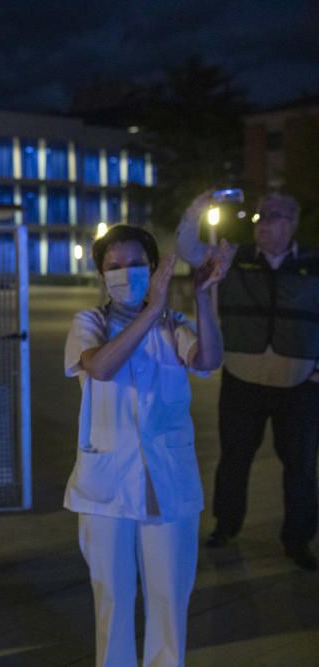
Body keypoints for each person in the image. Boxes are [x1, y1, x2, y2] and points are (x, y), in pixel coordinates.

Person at [64, 224, 230, 666]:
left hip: (169, 484)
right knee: (113, 600)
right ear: (101, 274)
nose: (126, 273)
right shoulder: (89, 323)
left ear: (154, 269)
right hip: (104, 489)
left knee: (169, 599)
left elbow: (210, 360)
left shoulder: (174, 325)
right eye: (114, 265)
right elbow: (100, 368)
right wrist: (151, 309)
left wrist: (202, 295)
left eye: (137, 263)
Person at [176, 191, 319, 570]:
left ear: (292, 222)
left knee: (302, 465)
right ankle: (226, 526)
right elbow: (187, 248)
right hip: (242, 380)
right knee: (234, 459)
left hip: (300, 383)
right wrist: (198, 208)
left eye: (275, 216)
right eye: (261, 217)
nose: (266, 223)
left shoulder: (312, 262)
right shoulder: (232, 257)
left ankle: (298, 540)